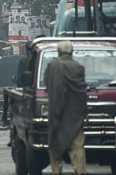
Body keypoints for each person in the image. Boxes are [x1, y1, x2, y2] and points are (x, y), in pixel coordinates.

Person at [44, 40, 87, 175]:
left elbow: (48, 85)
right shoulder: (79, 67)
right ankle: (80, 171)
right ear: (71, 52)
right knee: (78, 147)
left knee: (55, 146)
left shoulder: (52, 66)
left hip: (57, 113)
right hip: (76, 115)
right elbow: (82, 92)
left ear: (59, 51)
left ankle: (57, 171)